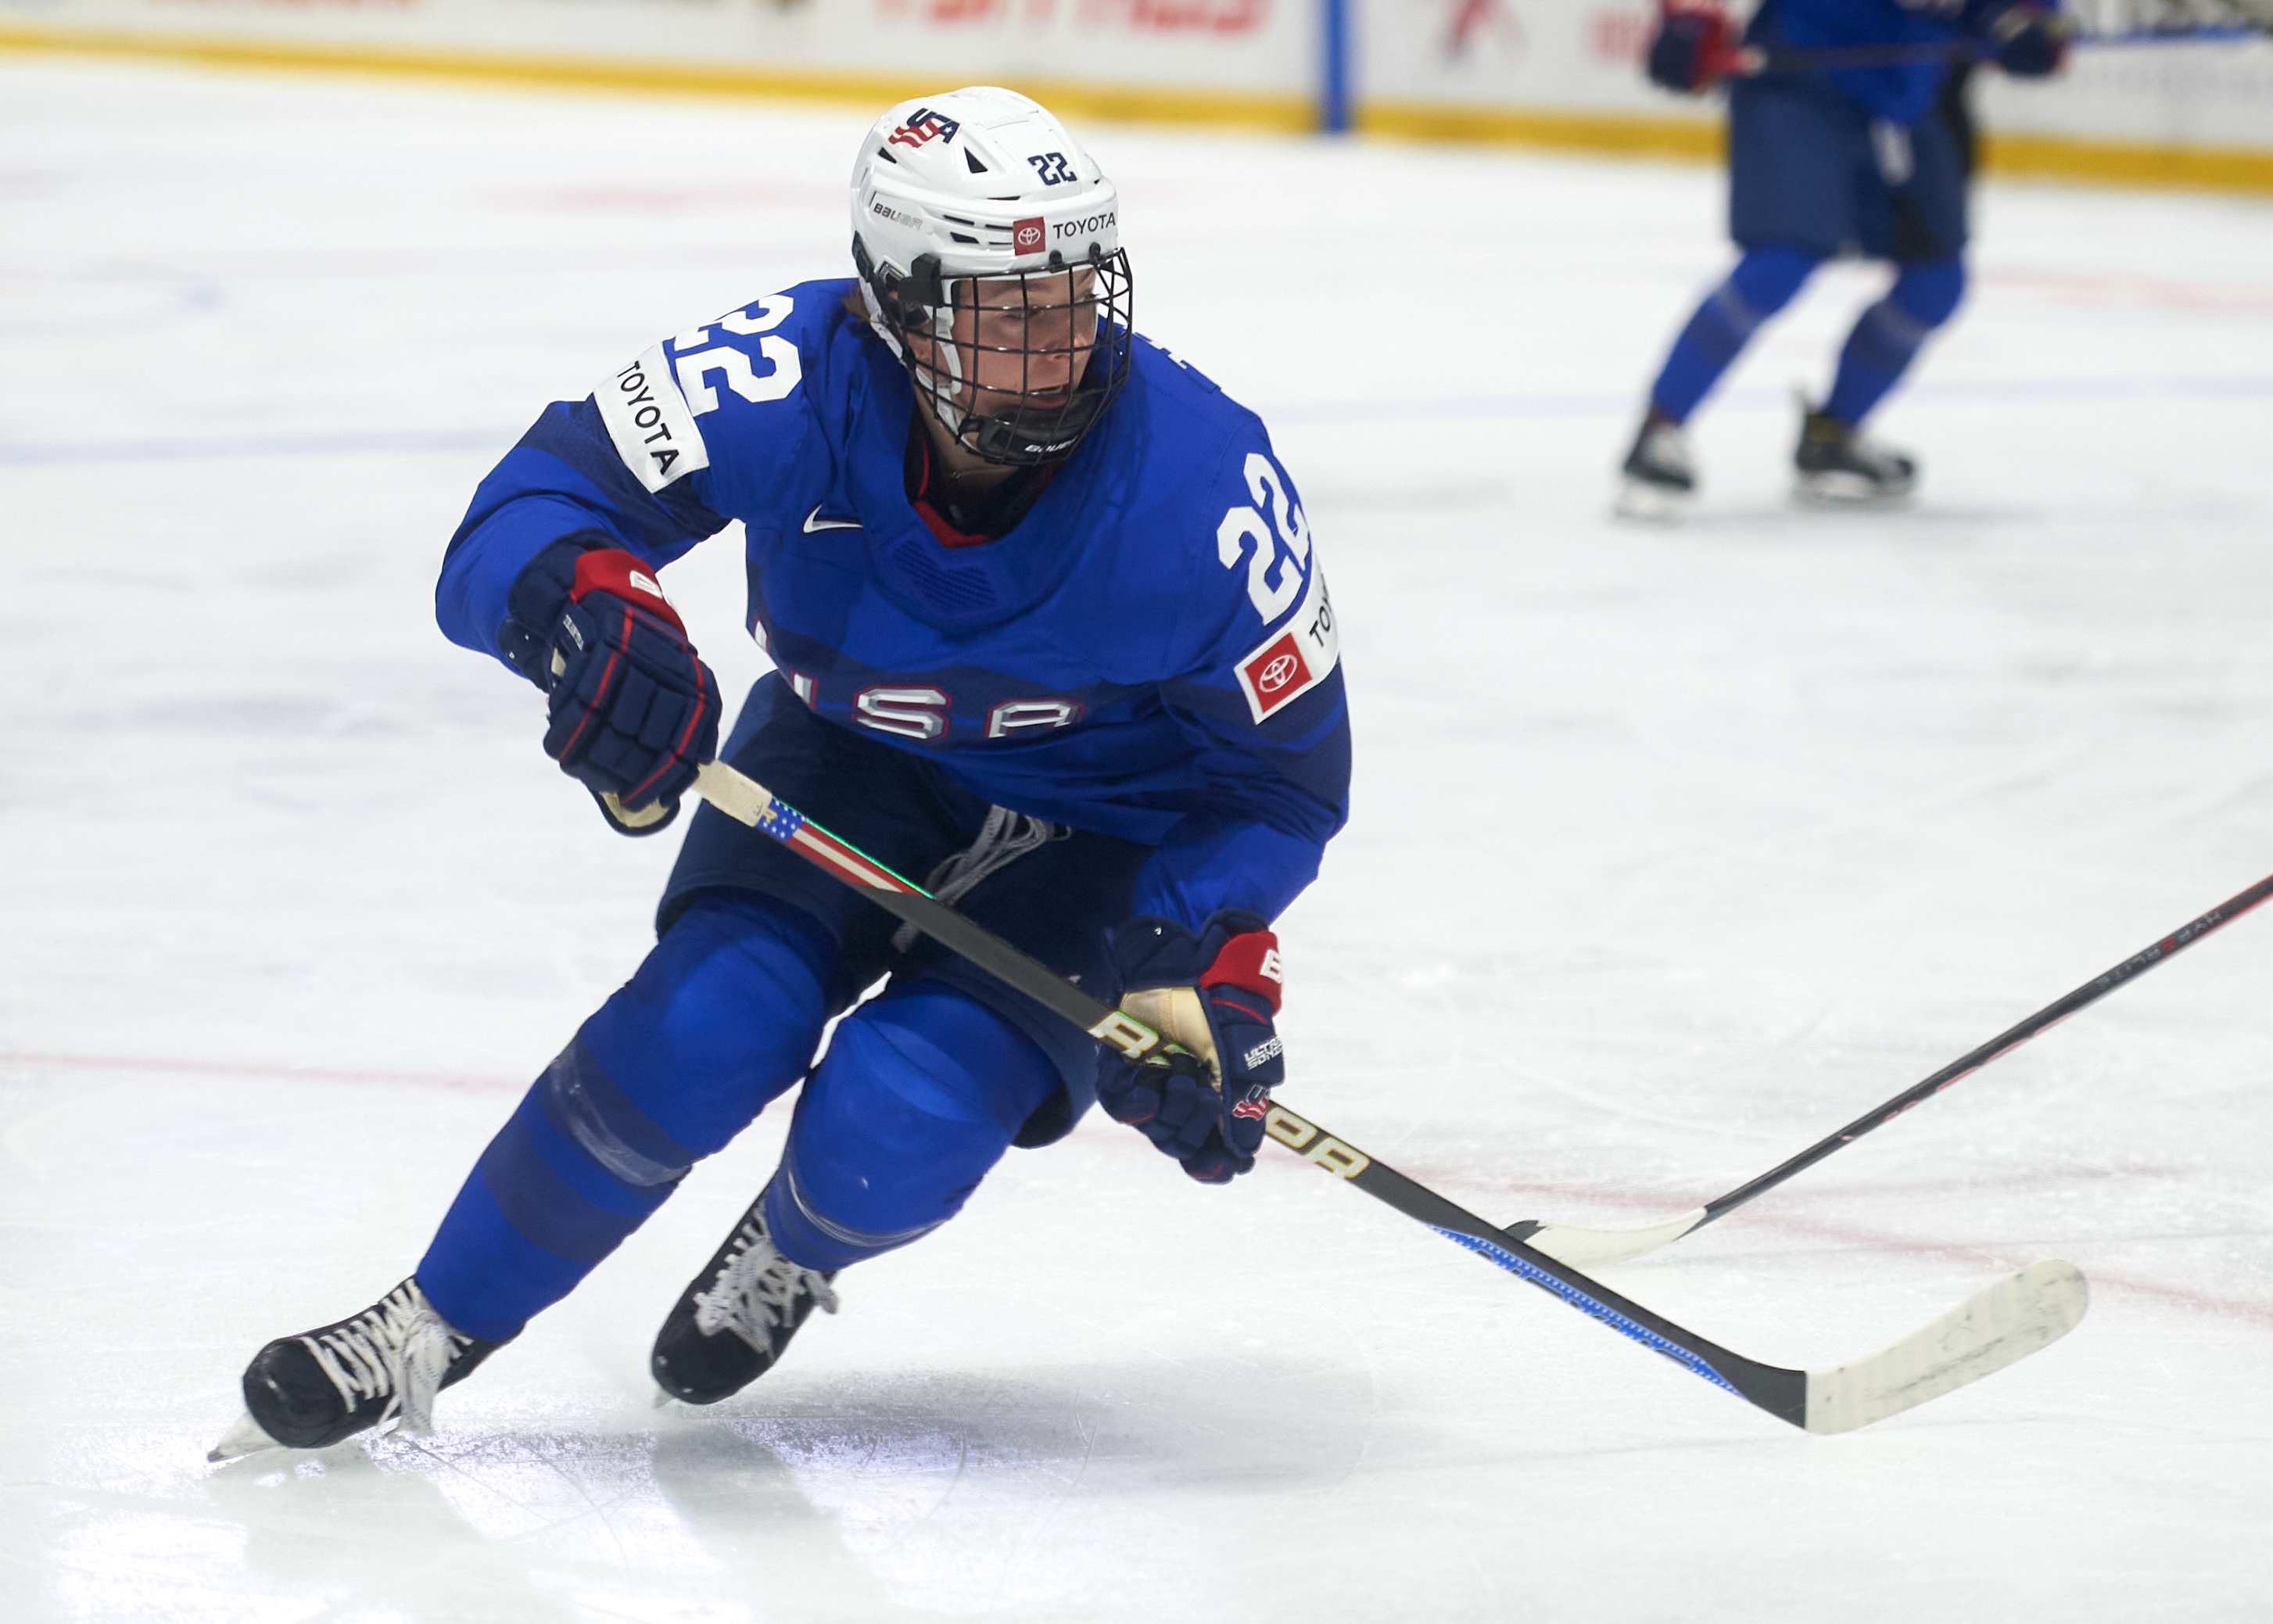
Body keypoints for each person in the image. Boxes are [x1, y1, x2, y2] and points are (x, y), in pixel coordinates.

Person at [212, 86, 1349, 1459]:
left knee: (900, 1109)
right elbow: (526, 505)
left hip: (1103, 834)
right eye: (1004, 317)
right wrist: (584, 606)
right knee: (699, 1031)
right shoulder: (782, 374)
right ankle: (430, 1318)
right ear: (894, 304)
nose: (1055, 356)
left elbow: (1280, 784)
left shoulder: (1205, 488)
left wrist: (1197, 956)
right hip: (848, 755)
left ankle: (797, 1242)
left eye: (1071, 303)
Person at [1616, 0, 2069, 517]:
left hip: (1908, 89)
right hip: (1800, 72)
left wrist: (2026, 22)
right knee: (1780, 261)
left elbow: (2025, 15)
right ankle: (1659, 427)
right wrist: (1688, 14)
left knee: (1934, 285)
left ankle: (1834, 435)